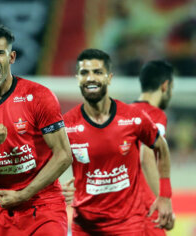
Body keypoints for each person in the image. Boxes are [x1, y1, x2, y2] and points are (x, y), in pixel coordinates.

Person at [0, 23, 72, 235]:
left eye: (0, 52)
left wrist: (24, 194)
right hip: (1, 210)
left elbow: (63, 155)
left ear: (12, 57)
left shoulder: (39, 96)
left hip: (43, 206)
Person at [63, 49, 173, 235]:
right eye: (84, 73)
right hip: (85, 226)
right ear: (78, 78)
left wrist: (165, 196)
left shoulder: (134, 118)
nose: (91, 78)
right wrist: (57, 188)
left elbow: (160, 148)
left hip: (127, 225)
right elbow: (44, 162)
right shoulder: (66, 125)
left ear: (109, 77)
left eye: (97, 72)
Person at [131, 60, 175, 233]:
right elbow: (146, 155)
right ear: (165, 85)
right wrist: (163, 200)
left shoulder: (124, 113)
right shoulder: (155, 115)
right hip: (144, 211)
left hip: (119, 212)